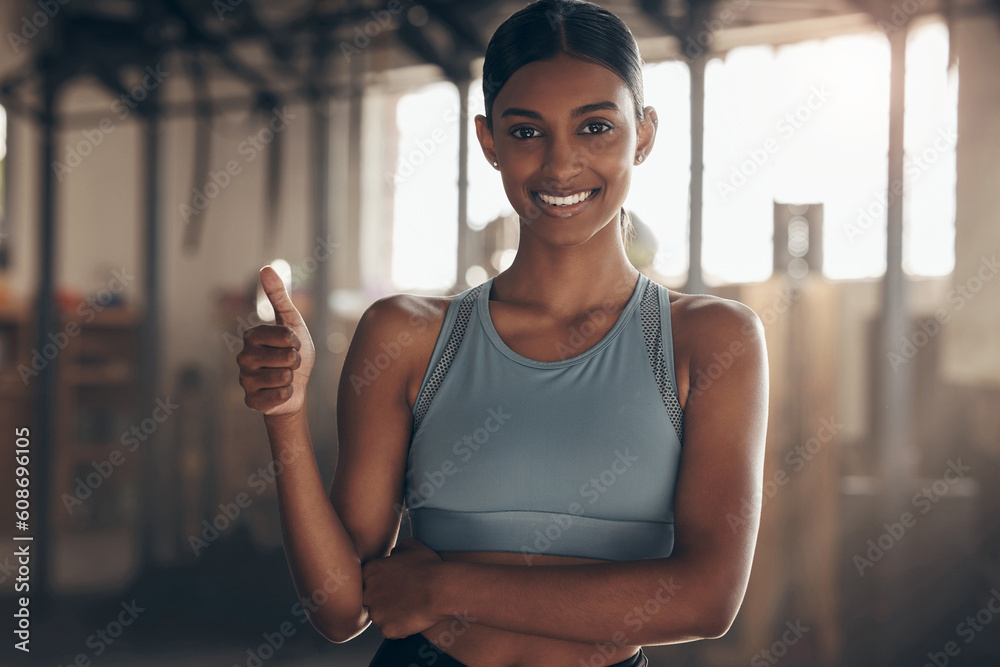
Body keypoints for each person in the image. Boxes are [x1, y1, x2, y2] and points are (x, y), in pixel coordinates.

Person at [236, 1, 769, 665]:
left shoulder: (711, 341)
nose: (560, 164)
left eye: (596, 126)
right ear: (490, 143)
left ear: (644, 135)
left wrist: (449, 586)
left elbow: (707, 598)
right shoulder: (406, 336)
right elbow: (342, 609)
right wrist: (285, 415)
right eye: (526, 132)